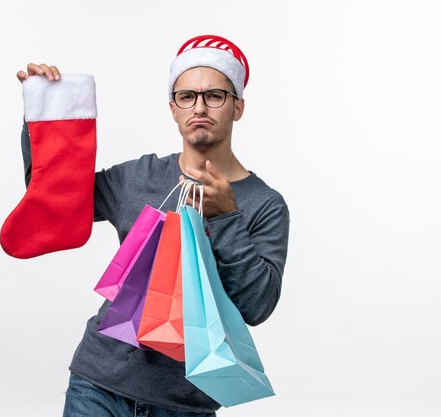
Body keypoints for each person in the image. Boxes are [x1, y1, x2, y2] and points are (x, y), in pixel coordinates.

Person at [16, 35, 290, 417]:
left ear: (238, 107)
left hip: (183, 403)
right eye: (187, 96)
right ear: (173, 108)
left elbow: (256, 307)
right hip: (98, 385)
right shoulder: (138, 176)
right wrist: (46, 114)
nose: (200, 106)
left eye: (215, 95)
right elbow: (51, 198)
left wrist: (227, 216)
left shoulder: (265, 204)